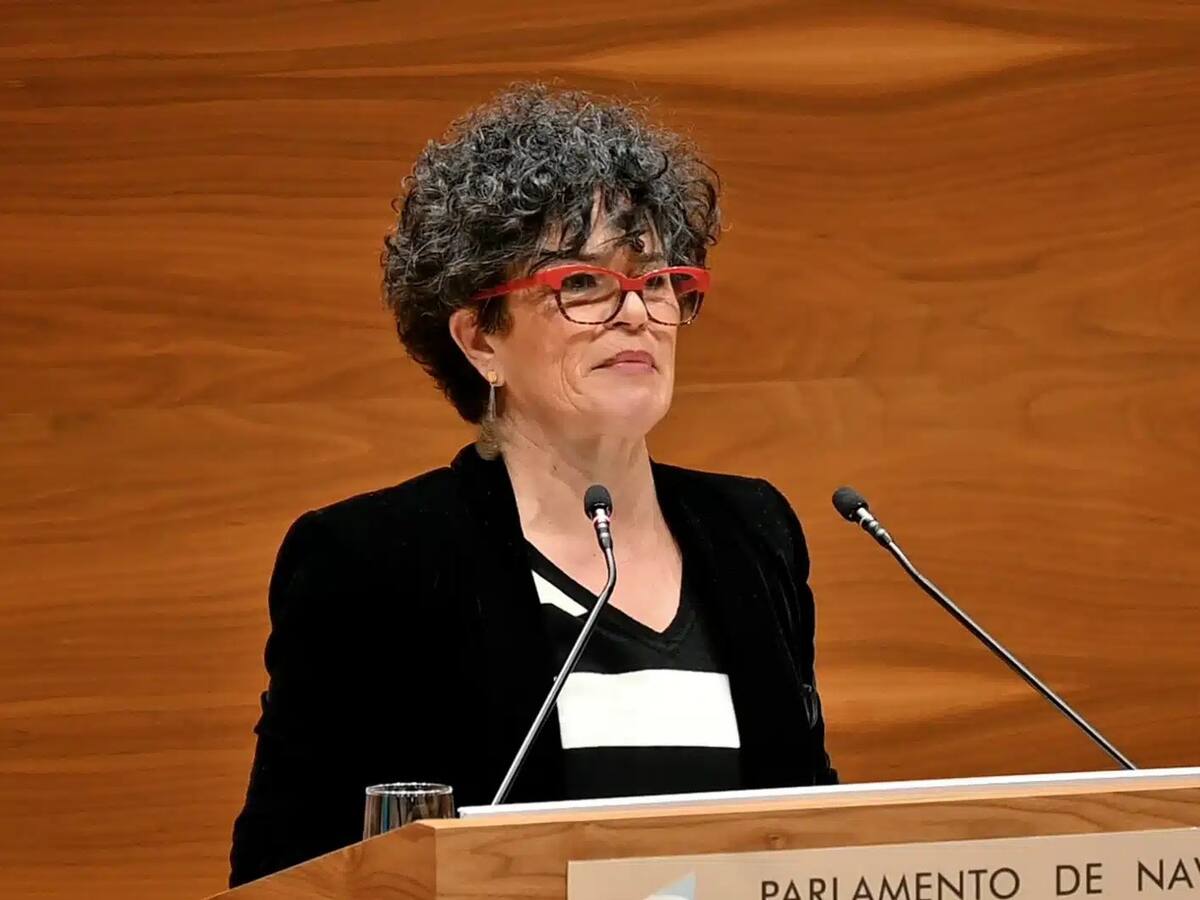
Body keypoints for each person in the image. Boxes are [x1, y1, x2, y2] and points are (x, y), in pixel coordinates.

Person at [228, 82, 836, 888]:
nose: (636, 312)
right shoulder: (374, 562)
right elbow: (283, 872)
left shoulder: (752, 532)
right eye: (581, 283)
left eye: (656, 280)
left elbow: (812, 831)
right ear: (480, 338)